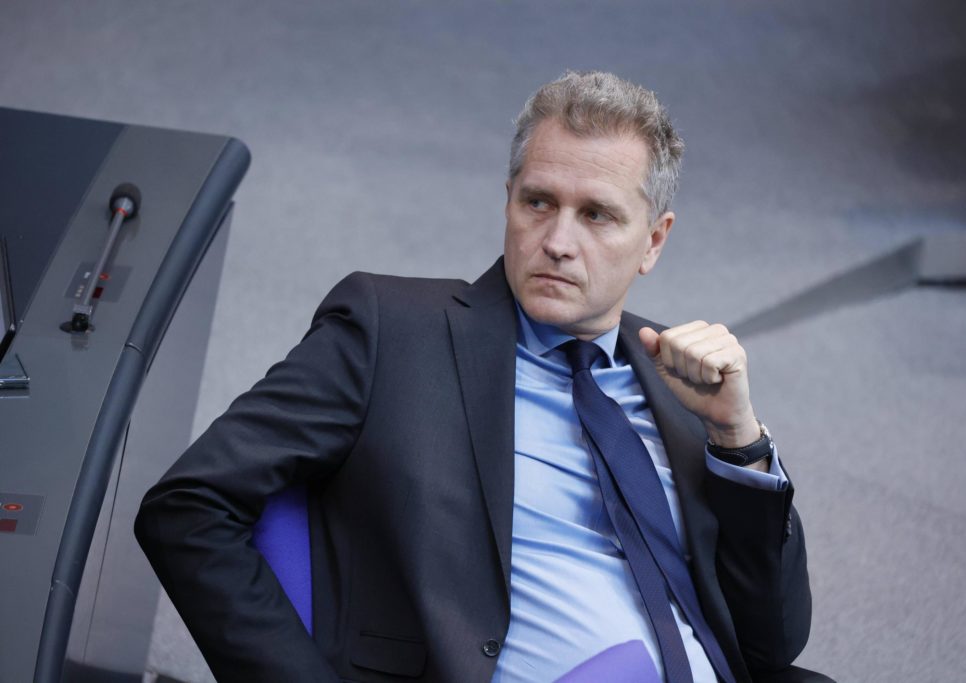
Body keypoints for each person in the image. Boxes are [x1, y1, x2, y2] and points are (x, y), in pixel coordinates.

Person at [136, 70, 822, 683]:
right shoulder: (392, 331)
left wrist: (739, 439)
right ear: (508, 201)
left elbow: (771, 644)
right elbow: (188, 506)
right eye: (538, 203)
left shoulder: (683, 387)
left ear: (654, 240)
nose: (557, 242)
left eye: (596, 215)